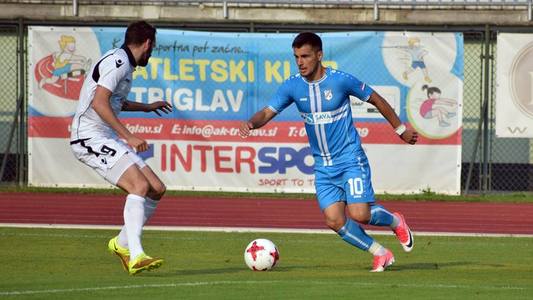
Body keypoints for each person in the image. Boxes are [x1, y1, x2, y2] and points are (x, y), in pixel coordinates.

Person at [239, 32, 418, 272]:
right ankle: (380, 253)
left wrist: (400, 129)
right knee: (334, 219)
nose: (300, 62)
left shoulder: (340, 81)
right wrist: (251, 123)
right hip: (323, 167)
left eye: (305, 56)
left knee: (360, 214)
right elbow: (267, 112)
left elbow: (376, 99)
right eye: (296, 57)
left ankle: (396, 221)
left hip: (350, 159)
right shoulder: (292, 86)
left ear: (319, 55)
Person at [70, 21, 172, 275]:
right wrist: (128, 136)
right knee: (139, 186)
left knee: (156, 189)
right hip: (88, 137)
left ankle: (121, 243)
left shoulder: (123, 64)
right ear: (147, 43)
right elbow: (99, 103)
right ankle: (135, 254)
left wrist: (146, 107)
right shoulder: (118, 62)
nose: (152, 52)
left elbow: (115, 102)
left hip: (104, 136)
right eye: (153, 47)